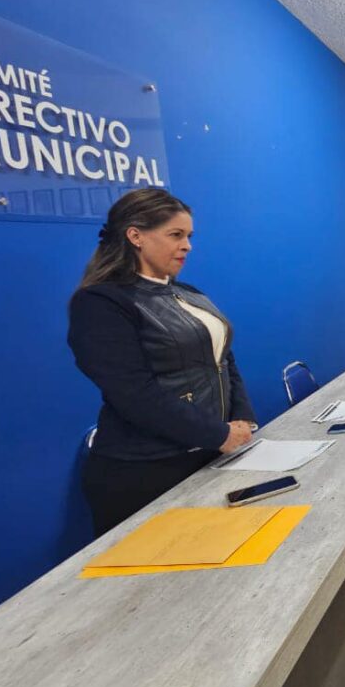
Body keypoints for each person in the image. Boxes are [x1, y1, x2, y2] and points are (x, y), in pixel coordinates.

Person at [68, 189, 256, 536]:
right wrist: (218, 433)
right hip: (146, 471)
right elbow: (133, 393)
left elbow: (224, 358)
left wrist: (241, 417)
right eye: (176, 235)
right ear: (135, 236)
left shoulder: (189, 293)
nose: (187, 246)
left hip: (210, 452)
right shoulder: (100, 303)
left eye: (189, 236)